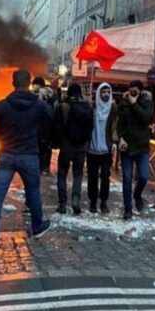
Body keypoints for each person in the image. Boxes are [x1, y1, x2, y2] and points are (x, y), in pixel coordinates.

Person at [0, 70, 53, 248]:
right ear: (29, 84)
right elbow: (52, 118)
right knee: (33, 192)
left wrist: (4, 141)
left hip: (6, 155)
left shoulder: (2, 105)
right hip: (29, 155)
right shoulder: (38, 105)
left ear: (13, 83)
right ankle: (37, 226)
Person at [54, 83, 93, 215]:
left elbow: (57, 128)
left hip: (66, 146)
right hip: (81, 148)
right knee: (78, 174)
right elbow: (90, 128)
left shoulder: (64, 106)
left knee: (62, 175)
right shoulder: (88, 106)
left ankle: (62, 203)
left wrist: (57, 142)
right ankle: (76, 199)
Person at [117, 80, 154, 220]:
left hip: (142, 146)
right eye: (131, 91)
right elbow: (119, 124)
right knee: (126, 178)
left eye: (135, 91)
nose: (132, 94)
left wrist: (134, 104)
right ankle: (128, 209)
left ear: (141, 92)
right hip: (126, 147)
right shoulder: (123, 103)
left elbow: (146, 118)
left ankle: (137, 194)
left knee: (144, 176)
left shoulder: (147, 102)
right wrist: (120, 138)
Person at [87, 83, 118, 214]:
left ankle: (104, 202)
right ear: (99, 93)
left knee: (105, 176)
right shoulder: (92, 107)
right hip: (92, 150)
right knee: (92, 177)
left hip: (106, 150)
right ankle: (93, 202)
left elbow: (116, 126)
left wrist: (115, 141)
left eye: (108, 92)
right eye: (103, 92)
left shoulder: (113, 108)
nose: (105, 94)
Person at [32, 77, 57, 175]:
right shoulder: (52, 96)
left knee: (39, 150)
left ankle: (39, 169)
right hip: (50, 129)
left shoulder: (38, 95)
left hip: (40, 128)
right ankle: (45, 168)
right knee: (47, 149)